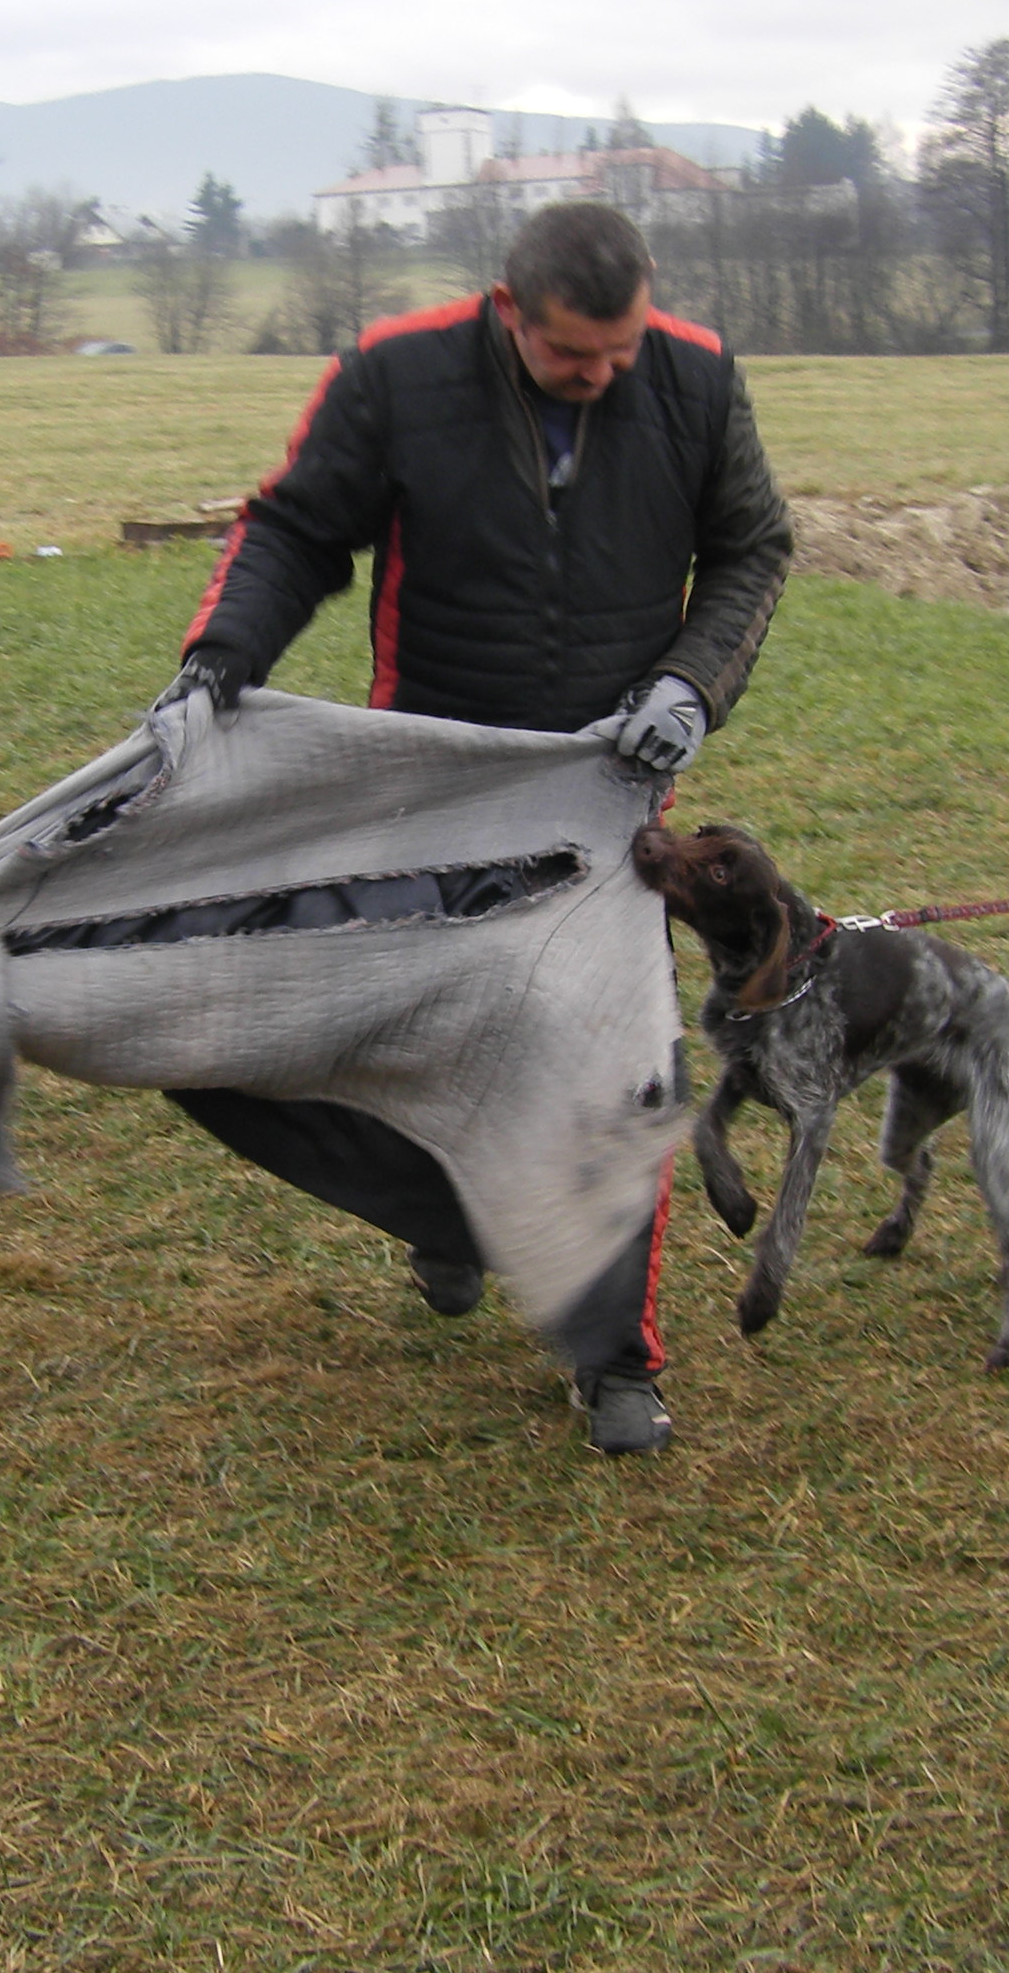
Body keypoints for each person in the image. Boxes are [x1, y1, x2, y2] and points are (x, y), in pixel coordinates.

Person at [158, 202, 792, 1454]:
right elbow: (292, 529)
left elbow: (751, 550)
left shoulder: (700, 377)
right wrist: (219, 663)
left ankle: (613, 1360)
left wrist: (690, 684)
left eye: (622, 351)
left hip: (606, 797)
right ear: (510, 310)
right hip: (428, 783)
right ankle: (452, 1212)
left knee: (620, 1069)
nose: (604, 376)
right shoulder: (396, 372)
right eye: (574, 357)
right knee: (306, 1029)